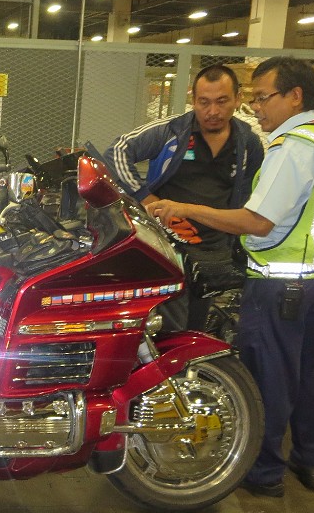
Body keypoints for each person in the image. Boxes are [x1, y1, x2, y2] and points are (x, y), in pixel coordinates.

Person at [146, 57, 314, 498]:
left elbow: (257, 222)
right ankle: (313, 459)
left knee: (269, 378)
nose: (256, 109)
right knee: (305, 373)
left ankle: (263, 473)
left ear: (295, 96)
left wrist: (185, 208)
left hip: (282, 285)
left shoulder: (291, 147)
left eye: (264, 98)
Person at [104, 64, 264, 329]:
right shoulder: (173, 132)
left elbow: (248, 193)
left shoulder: (248, 143)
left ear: (238, 99)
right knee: (163, 324)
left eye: (222, 101)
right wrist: (146, 197)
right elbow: (118, 150)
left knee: (194, 325)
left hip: (212, 250)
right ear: (193, 100)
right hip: (167, 246)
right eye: (204, 102)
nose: (212, 111)